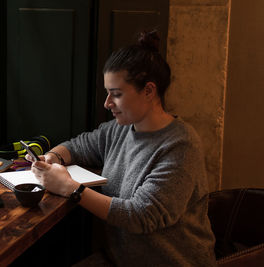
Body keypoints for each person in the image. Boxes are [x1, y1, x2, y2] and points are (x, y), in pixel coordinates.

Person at [27, 30, 217, 266]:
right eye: (107, 93)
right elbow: (78, 145)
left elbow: (141, 216)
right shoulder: (119, 129)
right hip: (119, 259)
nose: (107, 103)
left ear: (149, 91)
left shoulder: (181, 146)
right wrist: (52, 157)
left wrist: (70, 188)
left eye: (115, 94)